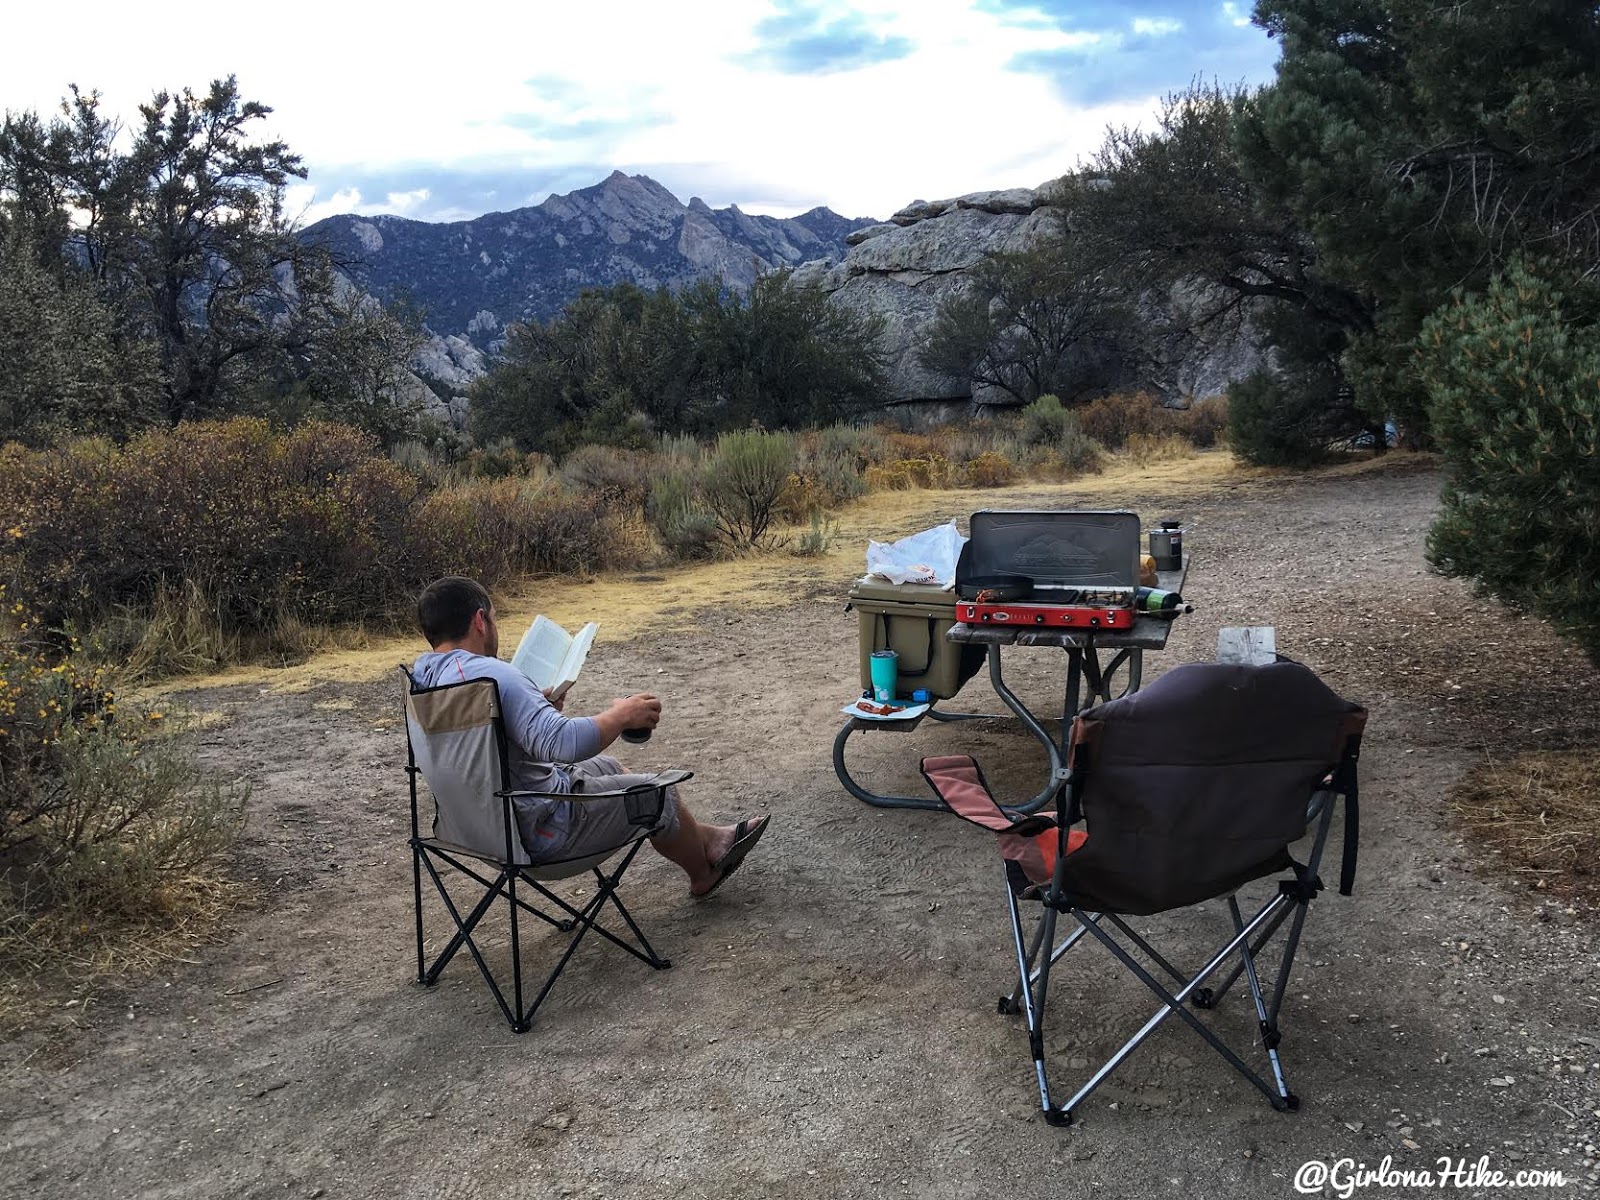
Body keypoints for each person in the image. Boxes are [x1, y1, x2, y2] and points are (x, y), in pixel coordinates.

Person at [410, 576, 769, 897]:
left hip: (474, 832)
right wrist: (621, 716)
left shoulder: (422, 683)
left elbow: (479, 746)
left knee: (609, 765)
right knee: (659, 794)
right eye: (493, 618)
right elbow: (564, 745)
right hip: (538, 835)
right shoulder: (496, 676)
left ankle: (708, 838)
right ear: (479, 620)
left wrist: (538, 709)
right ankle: (703, 874)